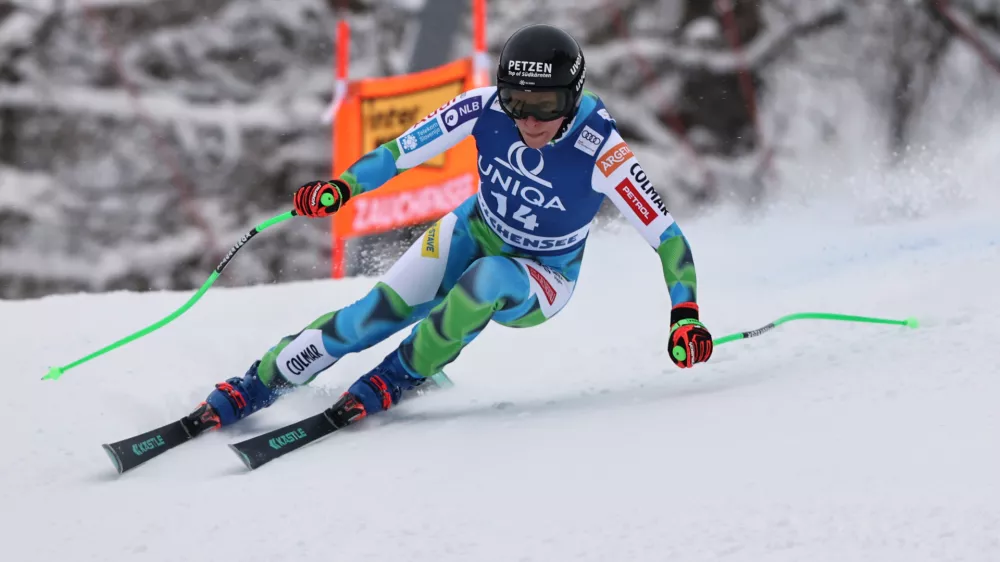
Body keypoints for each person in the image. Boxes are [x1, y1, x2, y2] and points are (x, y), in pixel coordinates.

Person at [182, 23, 714, 435]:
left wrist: (684, 317)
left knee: (484, 282)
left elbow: (668, 239)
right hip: (472, 227)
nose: (529, 120)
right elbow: (398, 154)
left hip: (542, 274)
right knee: (367, 318)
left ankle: (402, 374)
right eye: (518, 103)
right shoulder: (483, 110)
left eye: (545, 105)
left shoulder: (603, 150)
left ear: (573, 96)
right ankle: (263, 380)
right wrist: (341, 188)